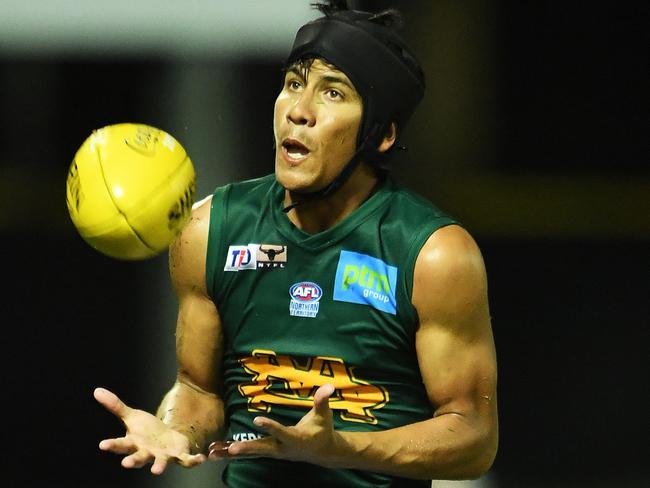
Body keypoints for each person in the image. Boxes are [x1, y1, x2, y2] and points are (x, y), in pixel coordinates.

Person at [94, 2, 499, 486]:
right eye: (292, 84)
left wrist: (341, 450)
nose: (299, 111)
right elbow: (199, 389)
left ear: (382, 134)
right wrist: (176, 428)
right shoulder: (209, 231)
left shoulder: (433, 255)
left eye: (332, 92)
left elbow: (473, 436)